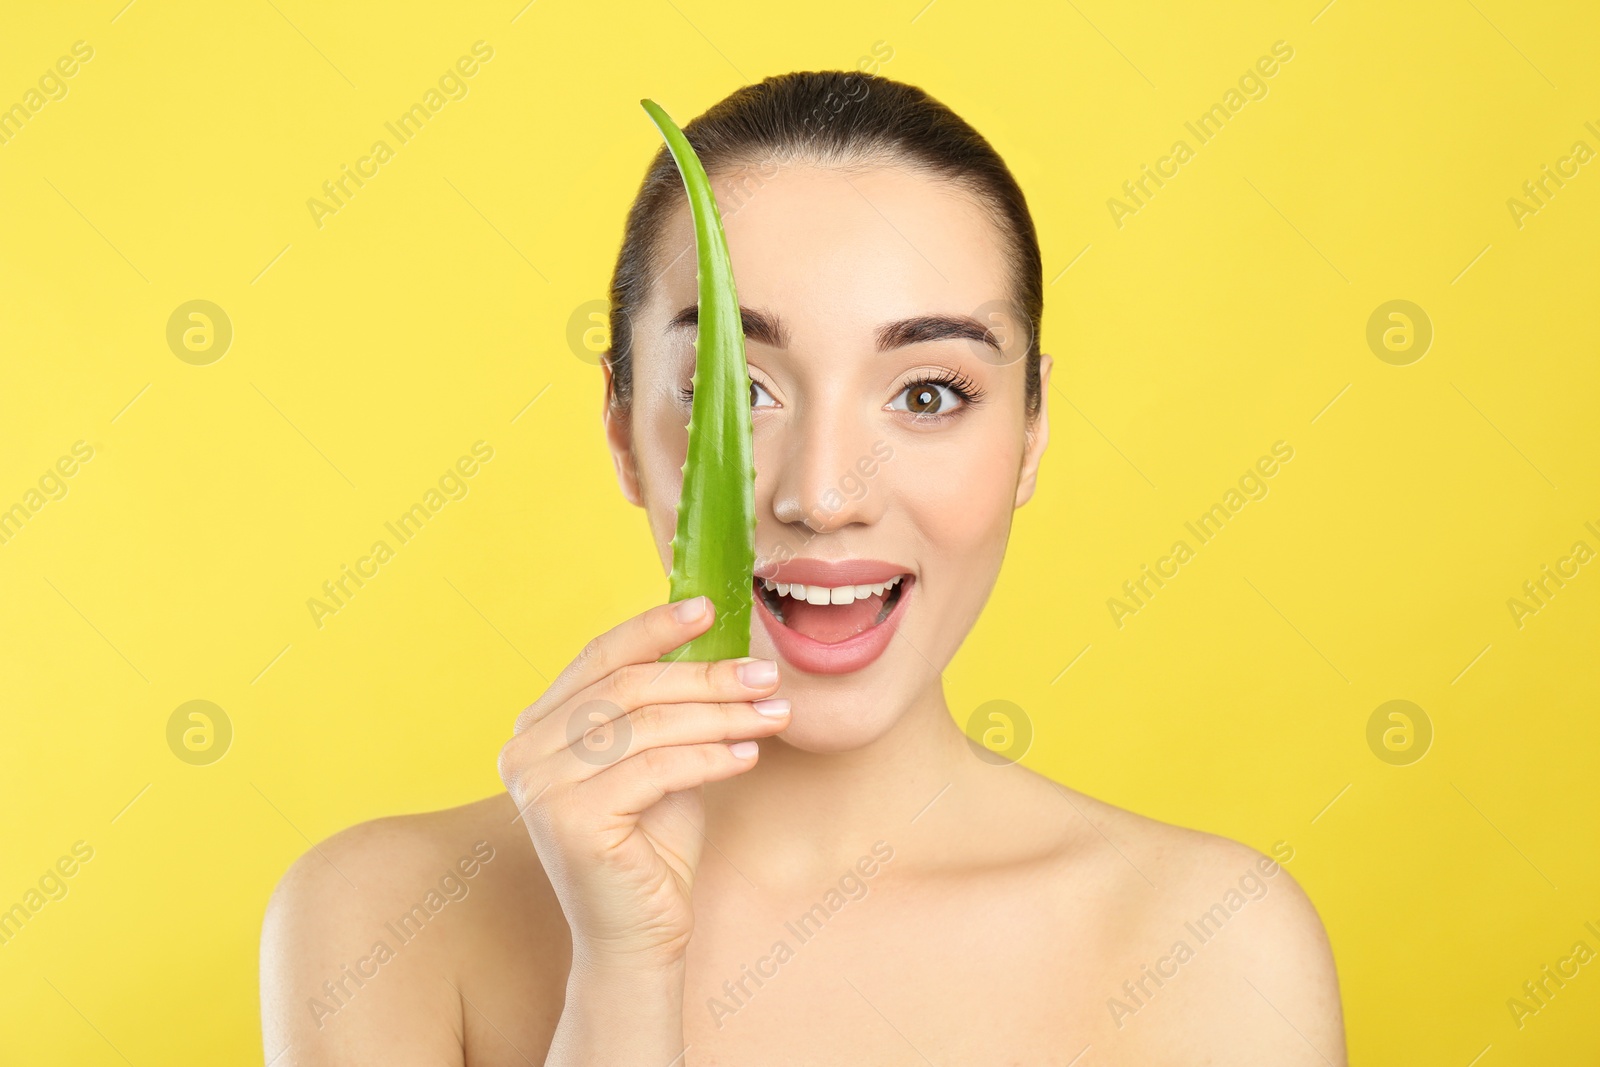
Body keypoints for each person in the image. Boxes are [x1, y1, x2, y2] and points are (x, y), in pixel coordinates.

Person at [261, 70, 1346, 1065]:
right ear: (619, 424)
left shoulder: (1211, 944)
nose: (823, 494)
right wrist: (626, 970)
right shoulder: (383, 919)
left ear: (1029, 430)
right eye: (740, 391)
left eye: (928, 393)